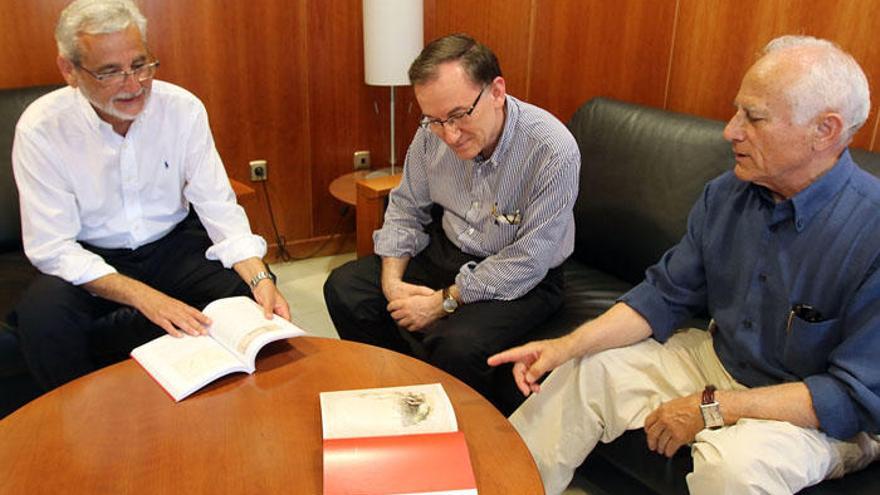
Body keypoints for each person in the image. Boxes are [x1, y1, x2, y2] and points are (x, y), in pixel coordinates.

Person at [489, 35, 880, 494]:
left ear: (825, 130)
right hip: (717, 360)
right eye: (738, 111)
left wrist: (711, 407)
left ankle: (834, 449)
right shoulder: (727, 194)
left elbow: (852, 396)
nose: (730, 131)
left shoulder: (871, 230)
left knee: (732, 469)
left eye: (753, 117)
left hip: (810, 406)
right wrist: (565, 347)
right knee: (587, 371)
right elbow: (662, 296)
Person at [12, 0, 289, 391]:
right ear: (69, 70)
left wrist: (259, 275)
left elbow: (217, 205)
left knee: (251, 299)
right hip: (90, 254)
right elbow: (52, 246)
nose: (134, 84)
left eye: (140, 64)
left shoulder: (182, 109)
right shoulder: (41, 129)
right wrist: (147, 298)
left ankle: (243, 408)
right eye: (110, 71)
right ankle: (78, 426)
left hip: (174, 244)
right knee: (44, 318)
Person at [323, 33, 579, 414]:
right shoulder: (431, 135)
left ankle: (464, 436)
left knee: (456, 345)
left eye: (459, 116)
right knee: (347, 289)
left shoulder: (552, 150)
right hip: (448, 250)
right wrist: (393, 283)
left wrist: (443, 302)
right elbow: (406, 207)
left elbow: (528, 260)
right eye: (436, 120)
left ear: (496, 91)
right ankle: (398, 399)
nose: (450, 135)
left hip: (524, 276)